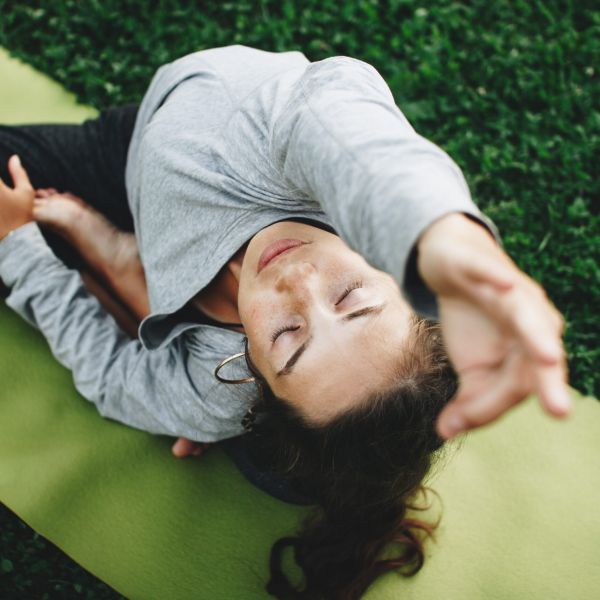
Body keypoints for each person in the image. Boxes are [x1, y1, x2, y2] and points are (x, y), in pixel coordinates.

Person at [0, 45, 568, 599]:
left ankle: (135, 275)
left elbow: (112, 376)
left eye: (288, 338)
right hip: (136, 155)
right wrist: (440, 232)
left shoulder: (216, 385)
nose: (298, 281)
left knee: (272, 465)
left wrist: (18, 244)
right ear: (397, 276)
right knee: (284, 460)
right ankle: (129, 267)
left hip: (182, 298)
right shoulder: (303, 164)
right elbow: (338, 119)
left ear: (254, 375)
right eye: (351, 297)